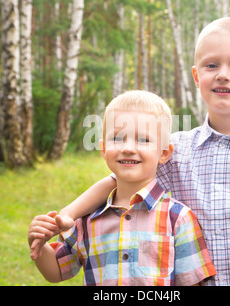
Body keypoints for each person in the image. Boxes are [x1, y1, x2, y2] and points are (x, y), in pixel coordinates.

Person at [32, 17, 230, 286]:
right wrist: (67, 215)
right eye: (211, 66)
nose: (223, 75)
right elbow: (114, 182)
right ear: (197, 76)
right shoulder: (175, 149)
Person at [27, 90, 216, 286]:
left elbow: (192, 282)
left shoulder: (178, 218)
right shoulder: (86, 220)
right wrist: (39, 245)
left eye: (143, 140)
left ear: (164, 152)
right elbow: (57, 271)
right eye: (117, 138)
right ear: (103, 149)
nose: (128, 148)